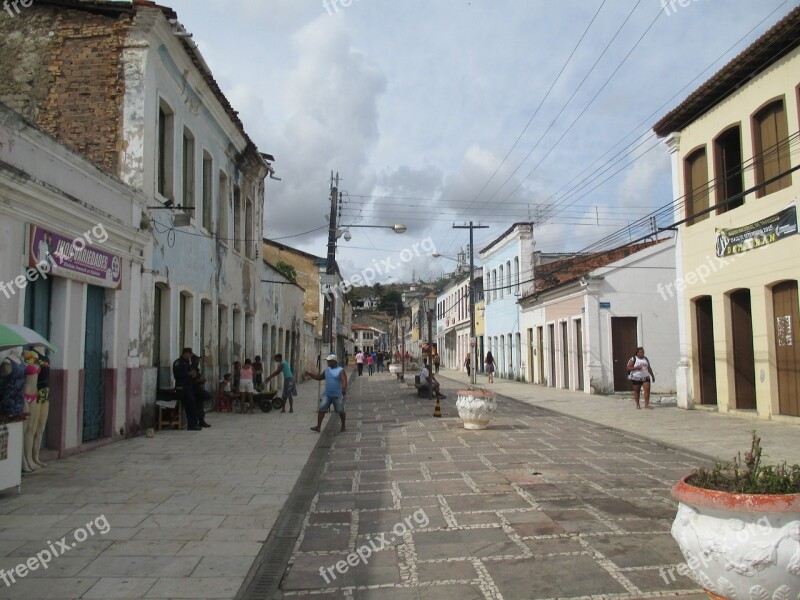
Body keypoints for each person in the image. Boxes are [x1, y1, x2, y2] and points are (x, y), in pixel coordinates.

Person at [304, 354, 347, 433]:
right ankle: (318, 426)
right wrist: (310, 374)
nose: (328, 363)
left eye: (329, 361)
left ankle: (343, 426)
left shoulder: (340, 370)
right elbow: (319, 378)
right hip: (327, 394)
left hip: (337, 395)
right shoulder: (327, 370)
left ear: (334, 361)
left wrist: (344, 389)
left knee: (340, 410)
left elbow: (344, 380)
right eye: (328, 361)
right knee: (321, 410)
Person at [173, 348, 203, 431]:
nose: (190, 357)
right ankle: (192, 424)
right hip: (182, 388)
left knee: (196, 402)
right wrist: (188, 374)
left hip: (189, 387)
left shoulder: (187, 363)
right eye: (189, 354)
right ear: (185, 353)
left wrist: (194, 375)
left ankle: (195, 423)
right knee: (191, 405)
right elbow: (177, 375)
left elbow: (192, 373)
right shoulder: (178, 363)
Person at [190, 355, 212, 426]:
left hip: (197, 389)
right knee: (205, 397)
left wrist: (201, 381)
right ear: (193, 360)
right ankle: (198, 421)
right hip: (192, 390)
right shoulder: (190, 369)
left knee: (200, 405)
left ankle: (201, 421)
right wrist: (198, 381)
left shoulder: (196, 369)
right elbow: (189, 381)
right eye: (197, 360)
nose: (198, 362)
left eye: (198, 360)